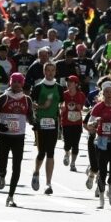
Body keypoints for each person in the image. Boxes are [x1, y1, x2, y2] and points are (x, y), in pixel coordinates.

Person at [0, 73, 36, 207]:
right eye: (14, 81)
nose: (16, 84)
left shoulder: (27, 100)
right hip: (4, 136)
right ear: (10, 83)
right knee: (2, 164)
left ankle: (10, 196)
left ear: (22, 84)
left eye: (19, 82)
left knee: (17, 167)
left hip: (19, 138)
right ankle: (2, 174)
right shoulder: (3, 97)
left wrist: (35, 123)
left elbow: (30, 116)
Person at [30, 62, 64, 195]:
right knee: (41, 152)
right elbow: (31, 104)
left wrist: (61, 125)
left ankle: (48, 183)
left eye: (52, 70)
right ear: (44, 72)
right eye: (47, 70)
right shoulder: (38, 87)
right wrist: (42, 106)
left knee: (51, 152)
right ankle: (36, 171)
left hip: (53, 123)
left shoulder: (59, 88)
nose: (50, 73)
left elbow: (61, 104)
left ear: (55, 72)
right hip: (40, 124)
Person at [88, 83, 111, 209]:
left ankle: (110, 191)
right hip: (101, 142)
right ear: (103, 93)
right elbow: (89, 124)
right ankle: (101, 198)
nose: (109, 94)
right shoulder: (98, 107)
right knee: (102, 170)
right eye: (106, 92)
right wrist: (95, 122)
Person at [60, 75, 86, 172]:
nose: (68, 84)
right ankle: (67, 153)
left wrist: (80, 107)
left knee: (75, 144)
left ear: (76, 84)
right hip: (66, 122)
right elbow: (60, 105)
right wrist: (61, 107)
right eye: (67, 82)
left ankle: (73, 163)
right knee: (67, 143)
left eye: (71, 82)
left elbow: (81, 107)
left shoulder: (81, 95)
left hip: (77, 122)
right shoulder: (64, 94)